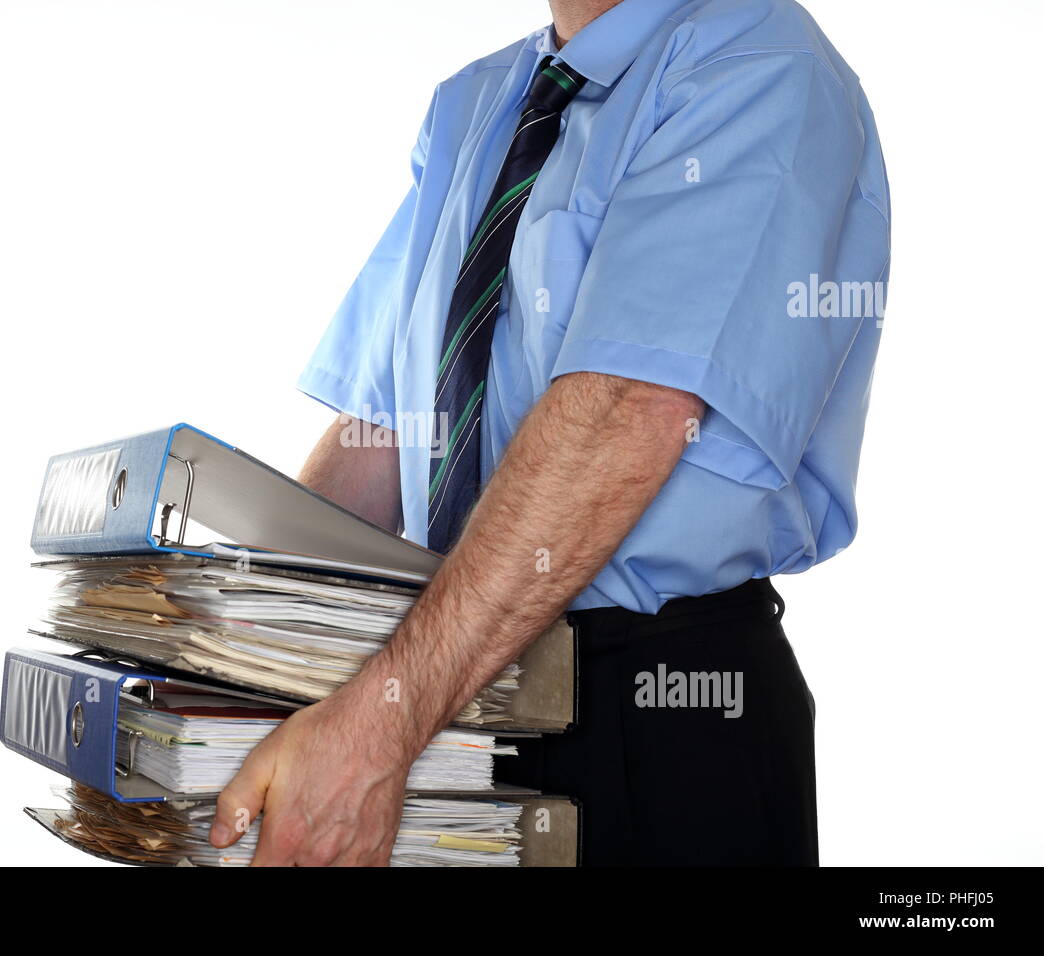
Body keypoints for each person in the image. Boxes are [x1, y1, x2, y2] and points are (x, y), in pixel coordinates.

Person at [211, 0, 889, 865]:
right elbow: (382, 426)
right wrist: (236, 658)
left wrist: (379, 725)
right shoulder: (476, 99)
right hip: (444, 688)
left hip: (655, 713)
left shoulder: (759, 64)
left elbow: (626, 413)